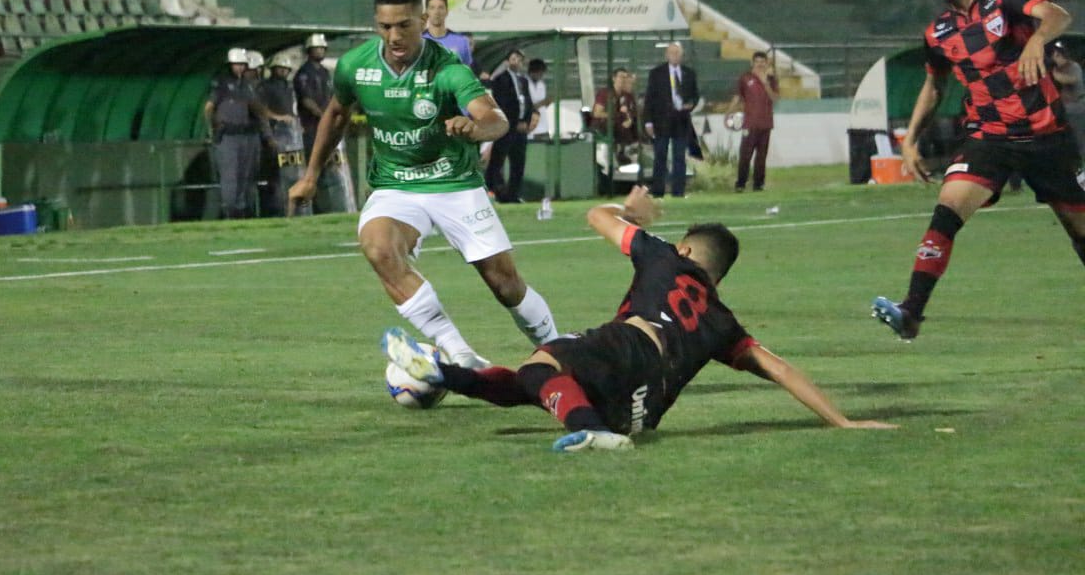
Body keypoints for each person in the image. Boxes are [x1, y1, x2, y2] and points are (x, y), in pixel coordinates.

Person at [383, 185, 896, 452]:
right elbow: (780, 369)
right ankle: (441, 373)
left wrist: (635, 214)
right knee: (526, 384)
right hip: (642, 412)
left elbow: (597, 218)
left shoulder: (663, 256)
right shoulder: (722, 323)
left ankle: (587, 431)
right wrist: (843, 421)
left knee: (540, 371)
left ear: (688, 248)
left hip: (630, 348)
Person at [288, 0, 559, 367]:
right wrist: (311, 174)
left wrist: (476, 128)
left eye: (404, 25)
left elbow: (494, 118)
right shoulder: (354, 66)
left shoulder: (448, 68)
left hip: (454, 183)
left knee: (504, 284)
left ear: (421, 20)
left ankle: (560, 347)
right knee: (379, 248)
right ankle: (461, 356)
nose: (394, 36)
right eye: (385, 27)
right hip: (396, 185)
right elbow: (336, 113)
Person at [872, 0, 1083, 341]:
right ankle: (911, 311)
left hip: (1047, 138)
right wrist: (910, 140)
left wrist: (1037, 40)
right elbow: (933, 87)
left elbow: (1059, 15)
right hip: (989, 139)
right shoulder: (938, 34)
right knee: (947, 209)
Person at [205, 47, 269, 219]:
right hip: (228, 135)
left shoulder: (246, 85)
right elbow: (209, 108)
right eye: (236, 64)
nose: (240, 68)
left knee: (246, 175)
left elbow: (256, 107)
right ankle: (230, 212)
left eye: (242, 64)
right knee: (231, 177)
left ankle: (243, 212)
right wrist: (212, 128)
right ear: (230, 65)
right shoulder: (222, 83)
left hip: (245, 134)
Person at [643, 42, 699, 197]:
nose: (675, 56)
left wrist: (691, 105)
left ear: (682, 55)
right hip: (661, 120)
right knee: (660, 155)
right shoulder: (656, 73)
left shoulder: (689, 73)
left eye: (678, 53)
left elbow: (695, 95)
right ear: (667, 55)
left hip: (681, 120)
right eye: (672, 53)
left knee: (679, 157)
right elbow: (650, 98)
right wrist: (648, 121)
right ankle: (658, 190)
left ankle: (678, 191)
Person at [486, 49, 539, 203]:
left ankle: (513, 194)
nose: (516, 61)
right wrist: (514, 122)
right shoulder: (501, 79)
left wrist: (527, 121)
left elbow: (527, 102)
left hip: (521, 129)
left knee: (518, 163)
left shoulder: (524, 80)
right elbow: (503, 103)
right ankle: (494, 191)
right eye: (513, 58)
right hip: (507, 127)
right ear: (508, 61)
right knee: (498, 160)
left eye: (519, 59)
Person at [726, 51, 780, 192]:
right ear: (752, 63)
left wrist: (765, 83)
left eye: (763, 62)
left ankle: (759, 184)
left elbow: (775, 99)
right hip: (750, 123)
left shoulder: (771, 79)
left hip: (766, 123)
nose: (760, 64)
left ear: (766, 63)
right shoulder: (745, 78)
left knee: (761, 156)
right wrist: (728, 113)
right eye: (757, 61)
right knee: (745, 154)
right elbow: (738, 97)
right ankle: (741, 184)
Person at [256, 53, 300, 218]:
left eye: (285, 69)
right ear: (273, 69)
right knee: (275, 178)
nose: (282, 71)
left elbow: (293, 110)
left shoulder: (289, 87)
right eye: (279, 68)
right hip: (274, 136)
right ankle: (277, 211)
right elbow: (261, 110)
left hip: (291, 138)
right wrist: (277, 120)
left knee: (292, 175)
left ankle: (291, 210)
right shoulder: (265, 87)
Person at [293, 33, 332, 163]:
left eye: (323, 48)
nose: (321, 51)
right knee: (312, 159)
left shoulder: (325, 72)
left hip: (325, 124)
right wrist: (323, 115)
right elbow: (306, 100)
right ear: (309, 50)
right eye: (317, 48)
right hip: (310, 125)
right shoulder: (304, 72)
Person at [593, 68, 639, 166]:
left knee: (634, 124)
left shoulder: (626, 95)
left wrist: (629, 120)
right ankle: (621, 152)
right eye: (621, 77)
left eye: (625, 77)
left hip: (620, 123)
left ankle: (629, 151)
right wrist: (615, 115)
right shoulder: (604, 93)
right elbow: (597, 113)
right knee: (618, 126)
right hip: (605, 123)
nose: (623, 79)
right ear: (614, 78)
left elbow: (629, 112)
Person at [422, 0, 475, 71]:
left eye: (441, 8)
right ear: (426, 12)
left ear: (447, 11)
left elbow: (467, 72)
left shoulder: (461, 41)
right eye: (432, 8)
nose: (437, 12)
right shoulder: (417, 41)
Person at [1050, 42, 1085, 154]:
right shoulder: (1056, 68)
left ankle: (1081, 158)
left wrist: (1053, 73)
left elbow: (1070, 80)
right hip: (1062, 107)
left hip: (1075, 106)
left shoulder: (1073, 66)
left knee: (1078, 134)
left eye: (1054, 55)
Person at [526, 58, 553, 140]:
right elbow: (527, 107)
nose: (541, 75)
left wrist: (547, 103)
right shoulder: (524, 83)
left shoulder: (542, 85)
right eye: (539, 73)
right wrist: (543, 103)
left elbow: (542, 106)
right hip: (531, 128)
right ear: (532, 71)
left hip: (543, 126)